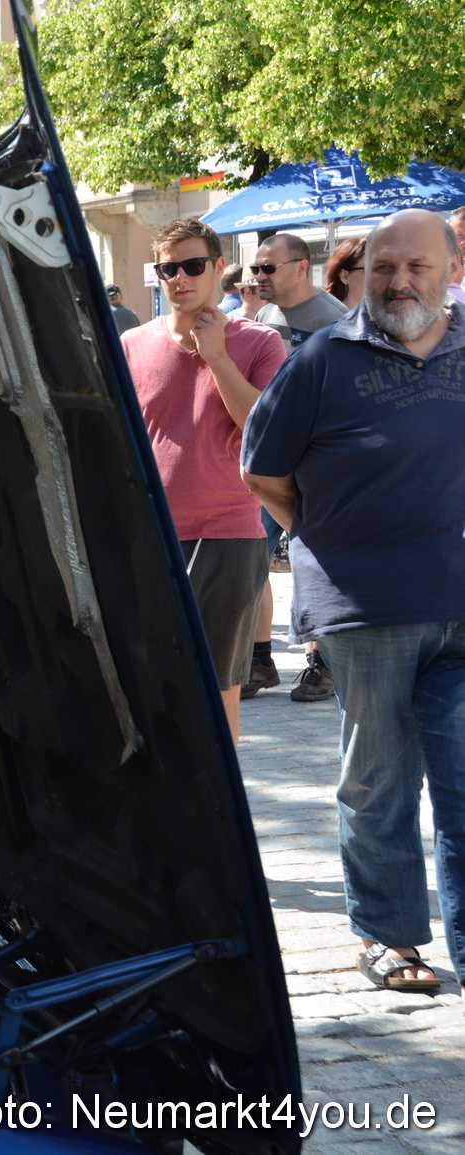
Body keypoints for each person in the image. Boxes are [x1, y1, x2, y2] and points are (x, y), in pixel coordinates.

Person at [242, 208, 465, 997]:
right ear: (365, 275)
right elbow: (262, 470)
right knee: (379, 777)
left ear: (451, 270)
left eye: (419, 267)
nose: (402, 281)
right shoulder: (323, 359)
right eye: (386, 268)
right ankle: (387, 935)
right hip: (365, 608)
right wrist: (328, 535)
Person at [121, 218, 284, 742]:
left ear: (218, 268)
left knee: (217, 697)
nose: (179, 278)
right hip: (147, 538)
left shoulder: (260, 342)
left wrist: (215, 355)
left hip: (227, 536)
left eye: (192, 266)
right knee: (148, 688)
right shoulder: (131, 344)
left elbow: (264, 428)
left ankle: (222, 819)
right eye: (167, 269)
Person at [251, 233, 347, 351]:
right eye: (255, 269)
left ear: (300, 268)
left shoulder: (334, 318)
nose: (259, 277)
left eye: (268, 268)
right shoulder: (263, 315)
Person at [324, 237, 366, 309]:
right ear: (344, 276)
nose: (376, 277)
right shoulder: (330, 317)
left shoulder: (386, 316)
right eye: (368, 271)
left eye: (381, 268)